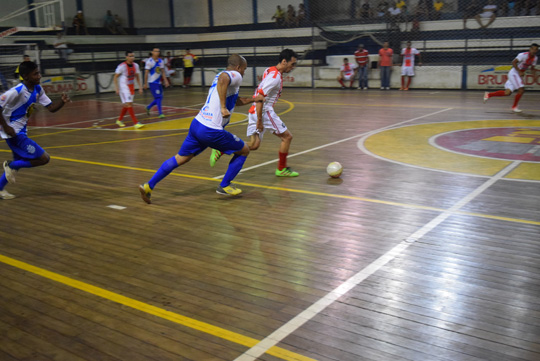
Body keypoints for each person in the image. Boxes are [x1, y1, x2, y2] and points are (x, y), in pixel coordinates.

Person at [138, 54, 265, 203]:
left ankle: (148, 185)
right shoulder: (233, 75)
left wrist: (252, 99)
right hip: (211, 131)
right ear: (238, 67)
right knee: (244, 150)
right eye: (244, 69)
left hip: (197, 124)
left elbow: (235, 100)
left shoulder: (221, 79)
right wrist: (223, 108)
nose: (244, 72)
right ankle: (224, 185)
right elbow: (225, 78)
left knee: (181, 158)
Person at [210, 49, 299, 178]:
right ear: (284, 61)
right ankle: (282, 169)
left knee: (254, 145)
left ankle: (223, 148)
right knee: (287, 137)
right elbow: (260, 97)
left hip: (255, 110)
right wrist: (259, 120)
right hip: (263, 111)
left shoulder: (269, 70)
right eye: (292, 64)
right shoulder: (274, 78)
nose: (293, 67)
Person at [0, 61, 70, 200]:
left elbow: (51, 108)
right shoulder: (17, 91)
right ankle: (10, 165)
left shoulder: (38, 89)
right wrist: (7, 127)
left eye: (38, 72)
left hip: (21, 131)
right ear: (26, 76)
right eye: (35, 74)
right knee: (44, 158)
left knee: (19, 163)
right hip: (13, 133)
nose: (39, 76)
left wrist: (62, 102)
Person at [483, 43, 538, 113]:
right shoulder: (523, 55)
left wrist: (534, 77)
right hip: (514, 73)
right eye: (533, 49)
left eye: (536, 49)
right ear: (530, 49)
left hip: (518, 75)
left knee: (507, 93)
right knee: (521, 89)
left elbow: (532, 68)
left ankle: (488, 95)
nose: (534, 50)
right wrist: (520, 71)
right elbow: (514, 62)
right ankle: (514, 107)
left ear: (537, 51)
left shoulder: (535, 58)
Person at [114, 51, 144, 128]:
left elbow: (137, 76)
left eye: (133, 56)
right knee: (129, 103)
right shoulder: (122, 66)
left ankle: (119, 120)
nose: (132, 58)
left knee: (127, 105)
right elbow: (115, 77)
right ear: (126, 57)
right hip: (123, 86)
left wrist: (140, 87)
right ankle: (136, 123)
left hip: (131, 86)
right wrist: (117, 88)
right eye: (130, 56)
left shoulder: (136, 65)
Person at [144, 48, 169, 118]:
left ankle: (149, 107)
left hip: (159, 82)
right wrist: (145, 83)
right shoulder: (149, 61)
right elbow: (146, 73)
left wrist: (165, 80)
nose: (157, 52)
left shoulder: (161, 61)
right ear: (152, 52)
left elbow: (163, 71)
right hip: (152, 82)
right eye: (155, 51)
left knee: (160, 97)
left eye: (158, 51)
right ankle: (160, 113)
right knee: (158, 97)